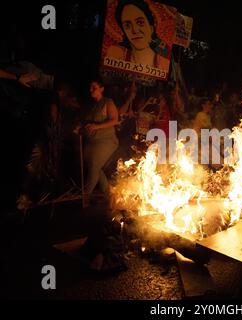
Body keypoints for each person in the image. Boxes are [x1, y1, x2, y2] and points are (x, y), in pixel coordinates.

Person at [76, 78, 119, 207]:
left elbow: (114, 120)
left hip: (106, 141)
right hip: (92, 141)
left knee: (94, 166)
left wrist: (96, 127)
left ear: (101, 89)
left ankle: (85, 197)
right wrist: (80, 128)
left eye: (94, 87)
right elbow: (87, 123)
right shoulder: (91, 106)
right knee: (95, 168)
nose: (91, 90)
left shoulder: (108, 102)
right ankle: (110, 196)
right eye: (90, 87)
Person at [107, 0, 169, 70]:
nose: (135, 31)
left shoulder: (163, 63)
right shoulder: (116, 53)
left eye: (140, 22)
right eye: (127, 25)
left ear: (151, 28)